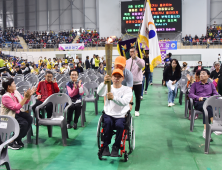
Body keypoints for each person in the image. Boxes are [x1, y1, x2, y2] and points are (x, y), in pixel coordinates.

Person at [97, 68, 133, 157]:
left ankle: (116, 147)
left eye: (119, 77)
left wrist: (114, 98)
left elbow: (124, 102)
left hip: (121, 115)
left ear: (122, 78)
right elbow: (99, 93)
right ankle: (105, 146)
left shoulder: (127, 90)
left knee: (120, 126)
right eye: (114, 76)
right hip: (109, 113)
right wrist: (104, 82)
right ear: (111, 77)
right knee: (107, 124)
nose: (116, 78)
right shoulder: (108, 87)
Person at [0, 78, 36, 149]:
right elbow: (16, 107)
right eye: (13, 83)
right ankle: (11, 142)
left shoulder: (15, 93)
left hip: (16, 113)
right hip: (8, 116)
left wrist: (29, 96)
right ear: (9, 87)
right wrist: (25, 98)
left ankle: (18, 139)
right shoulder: (5, 97)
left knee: (29, 118)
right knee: (23, 123)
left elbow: (25, 102)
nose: (15, 85)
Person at [189, 69, 222, 139]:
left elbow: (216, 94)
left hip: (209, 103)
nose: (201, 75)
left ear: (208, 76)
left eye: (203, 74)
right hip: (199, 103)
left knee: (207, 108)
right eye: (200, 74)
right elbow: (191, 94)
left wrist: (218, 97)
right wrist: (198, 98)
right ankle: (215, 126)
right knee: (207, 106)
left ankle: (205, 131)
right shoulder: (195, 84)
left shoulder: (211, 85)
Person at [125, 47, 145, 116]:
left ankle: (137, 110)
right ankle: (127, 109)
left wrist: (136, 58)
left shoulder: (140, 60)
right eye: (130, 51)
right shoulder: (127, 61)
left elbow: (142, 65)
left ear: (136, 52)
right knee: (128, 96)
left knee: (137, 97)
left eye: (133, 51)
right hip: (129, 83)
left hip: (138, 82)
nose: (132, 53)